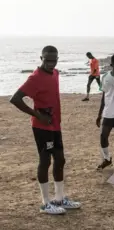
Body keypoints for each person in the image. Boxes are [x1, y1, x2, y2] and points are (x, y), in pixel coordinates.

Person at [9, 46, 82, 215]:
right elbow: (15, 99)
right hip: (41, 127)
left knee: (60, 159)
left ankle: (60, 198)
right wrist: (38, 115)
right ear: (41, 58)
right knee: (45, 161)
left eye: (54, 60)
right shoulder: (35, 78)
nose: (51, 63)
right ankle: (45, 203)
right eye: (47, 60)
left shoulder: (55, 73)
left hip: (55, 125)